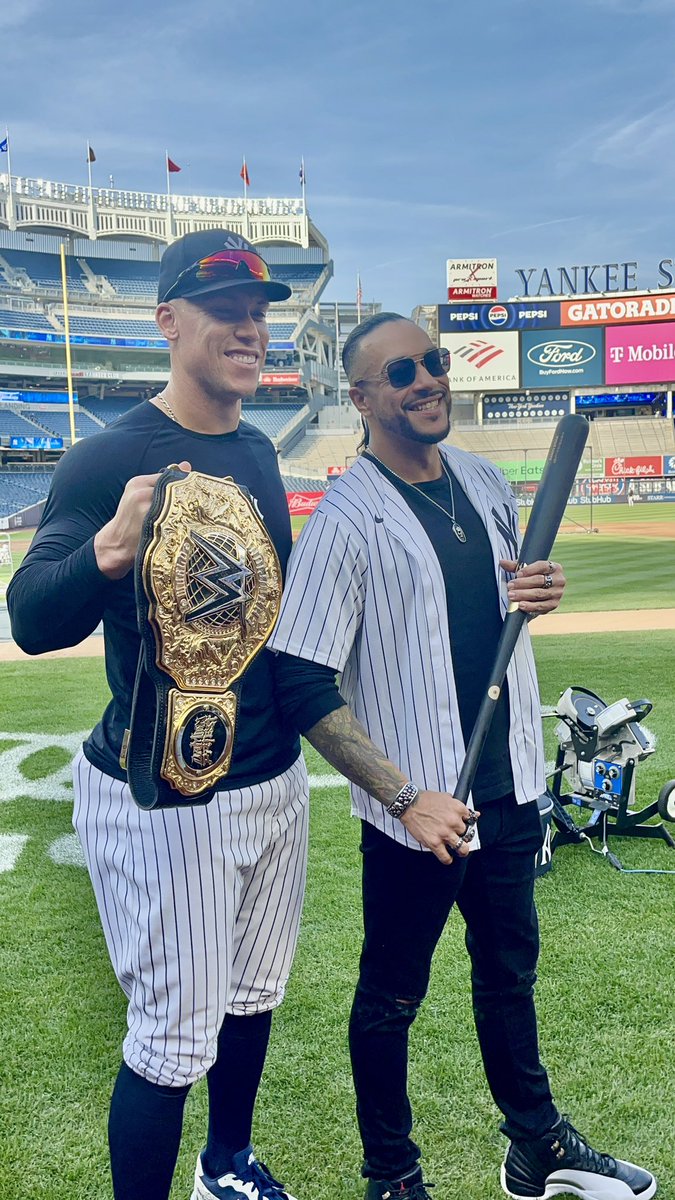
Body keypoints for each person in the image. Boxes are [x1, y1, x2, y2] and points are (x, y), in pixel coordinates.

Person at [269, 313, 657, 1200]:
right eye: (400, 371)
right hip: (420, 817)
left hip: (511, 787)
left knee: (508, 979)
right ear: (360, 398)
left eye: (434, 362)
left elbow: (507, 601)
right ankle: (391, 1175)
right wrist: (405, 798)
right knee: (389, 1002)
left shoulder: (484, 482)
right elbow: (299, 682)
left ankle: (536, 1145)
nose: (426, 380)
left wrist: (541, 587)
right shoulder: (344, 519)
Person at [7, 229, 308, 1200]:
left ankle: (227, 1164)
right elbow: (31, 617)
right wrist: (106, 549)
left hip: (272, 779)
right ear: (167, 320)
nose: (250, 326)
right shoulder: (108, 458)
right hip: (163, 795)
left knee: (255, 996)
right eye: (226, 309)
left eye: (260, 309)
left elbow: (274, 622)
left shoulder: (260, 451)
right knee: (175, 1035)